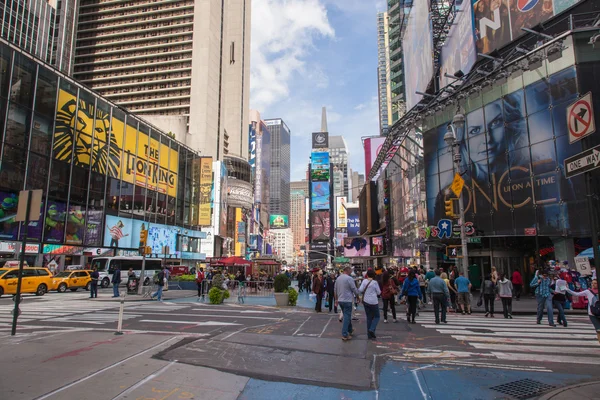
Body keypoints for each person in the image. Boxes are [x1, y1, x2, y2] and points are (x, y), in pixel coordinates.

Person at [566, 279, 599, 343]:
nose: (593, 285)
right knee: (598, 329)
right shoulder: (588, 291)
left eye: (595, 283)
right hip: (592, 313)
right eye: (592, 283)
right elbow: (576, 294)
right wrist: (567, 289)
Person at [334, 266, 361, 341]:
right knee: (347, 317)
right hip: (347, 300)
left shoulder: (338, 278)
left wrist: (336, 299)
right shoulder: (349, 278)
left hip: (340, 300)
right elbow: (354, 289)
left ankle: (350, 329)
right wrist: (358, 297)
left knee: (346, 315)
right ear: (347, 270)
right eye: (350, 270)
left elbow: (335, 290)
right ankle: (345, 334)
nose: (351, 272)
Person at [359, 269, 381, 339]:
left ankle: (369, 334)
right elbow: (378, 292)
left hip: (366, 301)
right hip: (374, 301)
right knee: (377, 316)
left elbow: (360, 290)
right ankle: (372, 329)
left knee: (369, 317)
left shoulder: (364, 281)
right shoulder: (375, 282)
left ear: (367, 275)